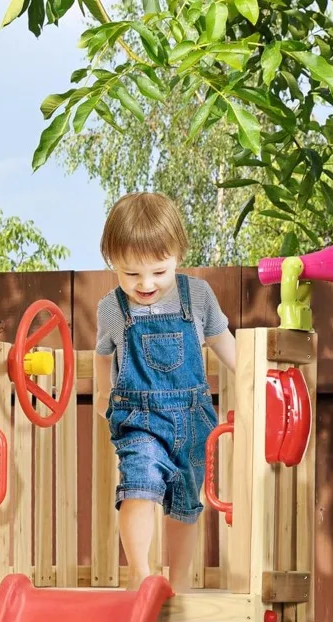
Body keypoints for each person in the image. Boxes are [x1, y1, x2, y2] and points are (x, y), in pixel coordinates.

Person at [93, 192, 237, 592]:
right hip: (138, 419)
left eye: (158, 271)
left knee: (187, 504)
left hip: (193, 419)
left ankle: (181, 579)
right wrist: (104, 395)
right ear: (113, 264)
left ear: (177, 254)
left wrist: (251, 373)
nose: (145, 284)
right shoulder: (111, 308)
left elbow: (224, 342)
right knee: (139, 486)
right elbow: (102, 355)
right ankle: (141, 575)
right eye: (131, 274)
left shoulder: (199, 296)